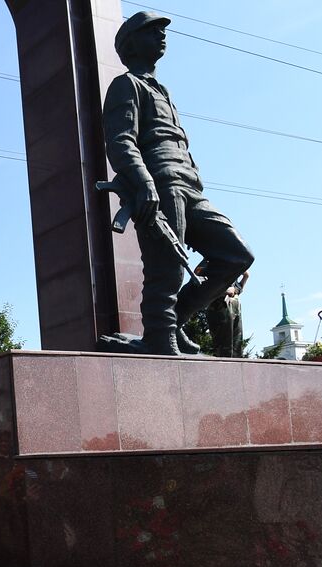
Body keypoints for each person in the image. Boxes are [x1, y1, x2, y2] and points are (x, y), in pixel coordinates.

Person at [103, 10, 254, 355]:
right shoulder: (127, 84)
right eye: (152, 31)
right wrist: (144, 183)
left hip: (189, 187)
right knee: (166, 266)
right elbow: (120, 140)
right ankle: (160, 333)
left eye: (161, 31)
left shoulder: (163, 90)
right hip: (160, 182)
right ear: (131, 44)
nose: (162, 35)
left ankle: (174, 318)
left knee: (236, 255)